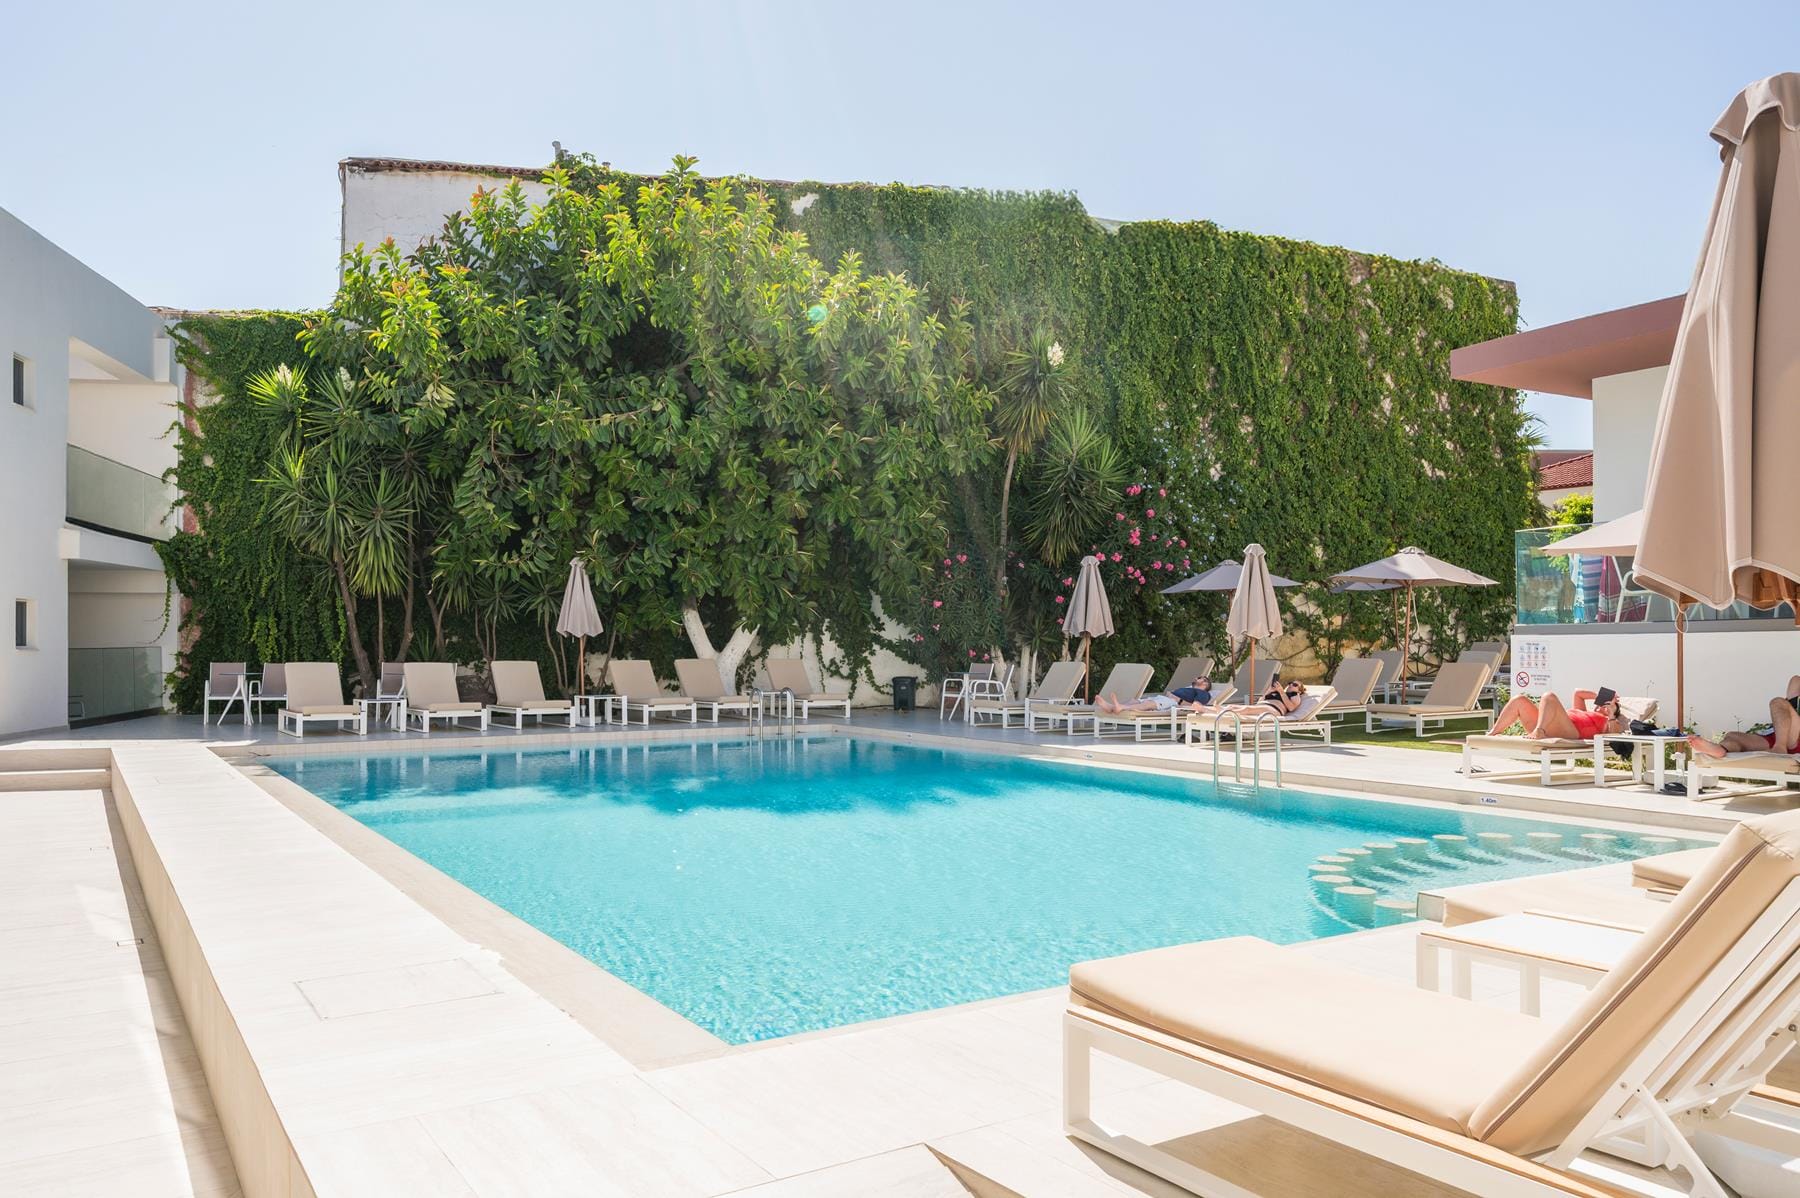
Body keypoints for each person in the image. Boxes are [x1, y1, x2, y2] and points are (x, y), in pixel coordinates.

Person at [1686, 674, 1800, 758]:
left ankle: (1780, 748)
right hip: (1780, 735)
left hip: (1793, 738)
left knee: (1777, 702)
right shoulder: (1796, 682)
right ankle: (1721, 749)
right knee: (1733, 736)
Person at [1490, 687, 1625, 741]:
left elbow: (1614, 735)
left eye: (1606, 706)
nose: (1601, 706)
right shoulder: (1584, 712)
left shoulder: (1609, 720)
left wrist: (1611, 713)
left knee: (1549, 697)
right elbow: (1578, 693)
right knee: (1519, 700)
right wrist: (1604, 696)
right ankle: (1493, 733)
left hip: (1572, 732)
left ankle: (1539, 730)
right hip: (1553, 725)